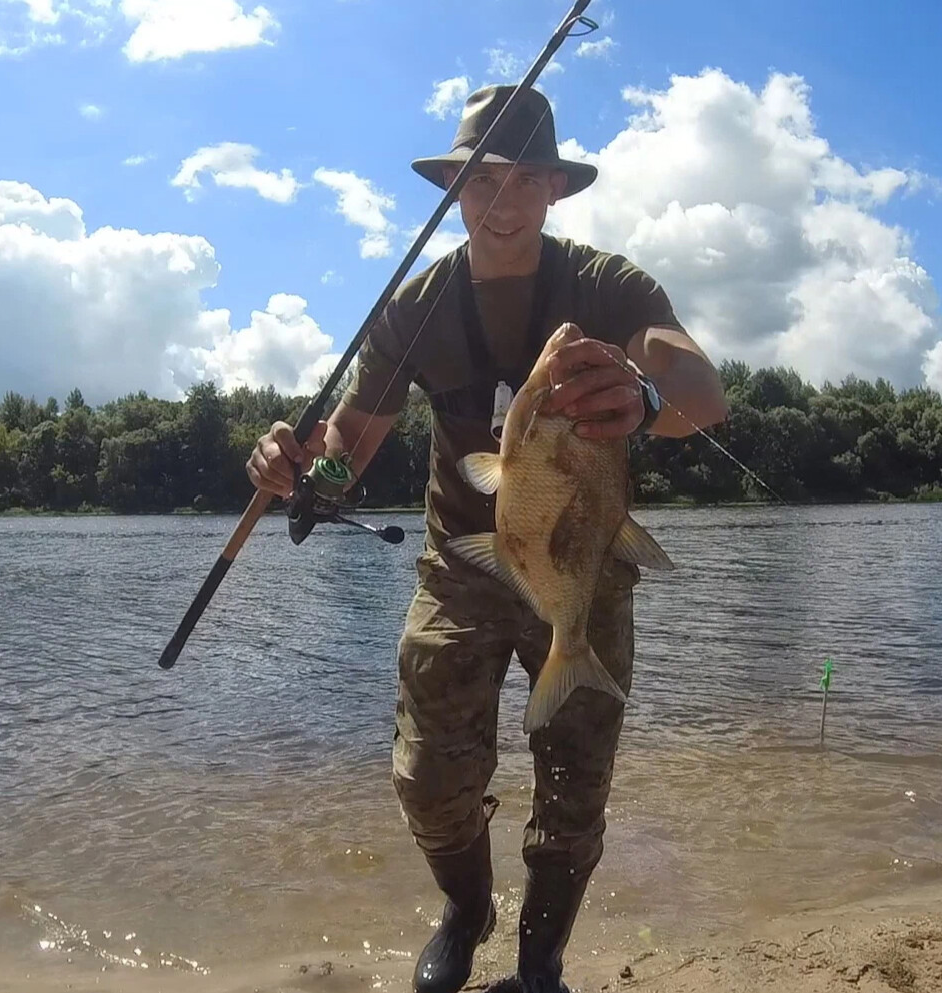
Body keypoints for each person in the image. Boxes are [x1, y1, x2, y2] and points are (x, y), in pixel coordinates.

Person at [246, 85, 728, 993]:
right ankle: (467, 910)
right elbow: (349, 447)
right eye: (477, 180)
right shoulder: (413, 307)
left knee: (576, 777)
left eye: (520, 182)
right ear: (452, 190)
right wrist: (296, 467)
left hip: (585, 560)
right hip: (460, 563)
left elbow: (703, 392)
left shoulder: (608, 286)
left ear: (553, 190)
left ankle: (541, 958)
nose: (498, 201)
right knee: (428, 773)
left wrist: (648, 398)